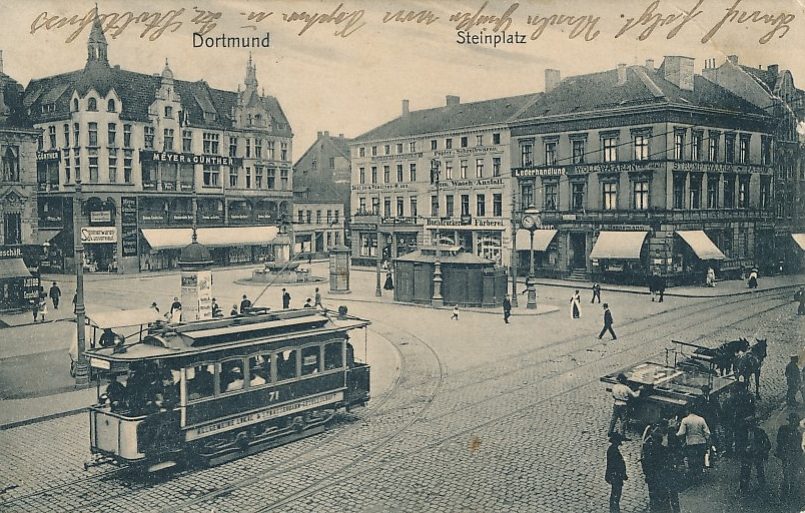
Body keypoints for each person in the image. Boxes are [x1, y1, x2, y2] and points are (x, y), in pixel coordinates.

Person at [738, 416, 770, 496]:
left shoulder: (760, 432)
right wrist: (744, 449)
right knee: (745, 471)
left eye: (752, 423)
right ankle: (743, 488)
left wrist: (762, 451)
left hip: (757, 454)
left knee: (760, 471)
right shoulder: (743, 433)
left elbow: (767, 444)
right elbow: (739, 444)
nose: (750, 425)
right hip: (747, 454)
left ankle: (762, 487)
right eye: (748, 423)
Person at [676, 407, 711, 478]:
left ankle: (693, 476)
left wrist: (677, 436)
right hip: (701, 442)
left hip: (690, 442)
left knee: (692, 460)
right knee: (700, 459)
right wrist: (706, 439)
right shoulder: (701, 419)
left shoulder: (685, 420)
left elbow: (681, 433)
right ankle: (699, 474)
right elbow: (707, 432)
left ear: (688, 411)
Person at [641, 427, 670, 512]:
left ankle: (654, 509)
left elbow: (645, 464)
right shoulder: (664, 450)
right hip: (661, 477)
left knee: (653, 495)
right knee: (662, 496)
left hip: (652, 477)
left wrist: (647, 474)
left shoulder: (648, 450)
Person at [776, 411, 802, 501]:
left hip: (794, 456)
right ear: (790, 421)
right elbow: (779, 441)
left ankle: (792, 493)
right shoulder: (783, 429)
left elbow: (798, 447)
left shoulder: (798, 434)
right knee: (786, 474)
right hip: (786, 455)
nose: (795, 423)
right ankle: (784, 494)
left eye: (796, 421)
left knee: (793, 475)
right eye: (793, 421)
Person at [605, 432, 628, 513]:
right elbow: (616, 465)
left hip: (615, 475)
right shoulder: (613, 451)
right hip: (616, 476)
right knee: (616, 494)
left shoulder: (612, 450)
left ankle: (614, 509)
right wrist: (623, 474)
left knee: (615, 493)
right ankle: (614, 510)